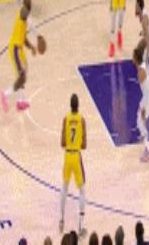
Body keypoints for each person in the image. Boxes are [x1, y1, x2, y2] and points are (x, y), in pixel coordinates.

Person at [0, 0, 37, 112]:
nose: (29, 2)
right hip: (15, 49)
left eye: (30, 0)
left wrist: (31, 47)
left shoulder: (24, 19)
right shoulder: (23, 11)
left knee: (23, 74)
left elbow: (24, 38)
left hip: (20, 49)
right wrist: (37, 34)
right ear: (24, 2)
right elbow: (26, 14)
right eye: (27, 0)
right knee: (21, 77)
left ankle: (20, 101)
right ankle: (5, 94)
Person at [59, 93, 87, 238]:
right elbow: (84, 145)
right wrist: (77, 143)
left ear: (70, 105)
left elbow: (62, 143)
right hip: (76, 156)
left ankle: (61, 219)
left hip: (67, 156)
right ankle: (81, 225)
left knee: (64, 187)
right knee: (82, 190)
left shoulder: (66, 119)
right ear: (78, 105)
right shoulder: (82, 120)